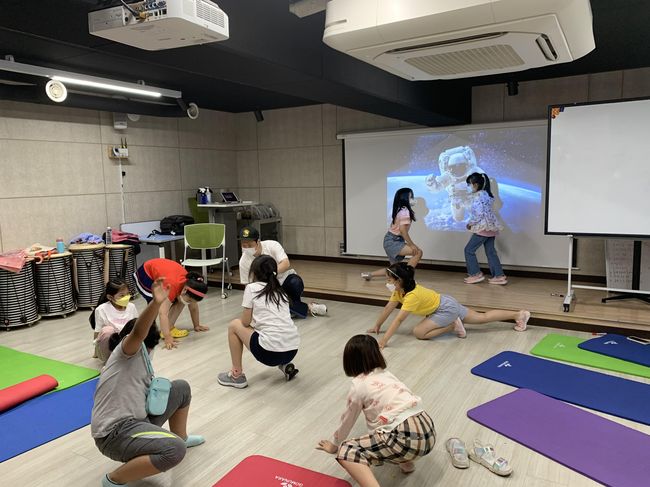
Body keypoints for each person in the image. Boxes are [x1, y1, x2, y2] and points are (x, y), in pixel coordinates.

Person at [91, 277, 205, 487]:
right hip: (114, 434)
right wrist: (156, 303)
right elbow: (138, 332)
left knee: (180, 388)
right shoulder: (125, 352)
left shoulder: (142, 356)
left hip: (136, 420)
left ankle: (181, 436)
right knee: (174, 450)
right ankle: (113, 480)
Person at [317, 335, 436, 487]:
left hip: (406, 439)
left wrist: (334, 445)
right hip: (428, 429)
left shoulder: (359, 385)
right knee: (391, 422)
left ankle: (404, 459)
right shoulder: (387, 374)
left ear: (349, 361)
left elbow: (347, 420)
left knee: (347, 450)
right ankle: (407, 463)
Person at [369, 262, 530, 348]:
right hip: (446, 302)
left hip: (444, 309)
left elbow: (398, 320)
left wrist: (383, 341)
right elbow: (388, 308)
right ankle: (519, 314)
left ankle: (452, 325)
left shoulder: (411, 295)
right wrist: (377, 325)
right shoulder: (400, 290)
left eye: (389, 279)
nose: (387, 282)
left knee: (419, 332)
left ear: (399, 280)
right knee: (482, 317)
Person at [218, 255, 300, 388]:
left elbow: (245, 322)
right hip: (292, 351)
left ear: (253, 273)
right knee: (275, 332)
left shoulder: (252, 288)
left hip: (269, 354)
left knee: (234, 325)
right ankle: (285, 365)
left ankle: (236, 375)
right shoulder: (281, 291)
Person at [238, 226, 327, 318]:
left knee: (295, 282)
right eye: (244, 245)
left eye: (249, 245)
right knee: (271, 304)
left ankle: (290, 307)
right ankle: (307, 307)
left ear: (258, 241)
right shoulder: (244, 261)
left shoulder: (272, 245)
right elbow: (247, 285)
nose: (246, 248)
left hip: (283, 280)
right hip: (266, 288)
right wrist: (250, 305)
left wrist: (270, 274)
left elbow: (285, 263)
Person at [134, 258, 209, 350]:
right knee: (155, 304)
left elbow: (193, 307)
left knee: (181, 301)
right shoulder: (171, 286)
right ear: (185, 290)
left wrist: (196, 325)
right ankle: (148, 330)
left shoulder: (190, 284)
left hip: (163, 273)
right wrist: (167, 337)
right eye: (190, 300)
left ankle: (169, 327)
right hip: (145, 274)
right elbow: (163, 314)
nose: (190, 303)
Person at [361, 187, 423, 281]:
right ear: (404, 198)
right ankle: (406, 276)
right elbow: (403, 231)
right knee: (418, 252)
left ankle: (369, 274)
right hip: (393, 241)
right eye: (411, 197)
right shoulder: (405, 211)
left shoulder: (400, 210)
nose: (413, 199)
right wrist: (412, 245)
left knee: (394, 269)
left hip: (390, 240)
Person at [464, 172, 506, 284]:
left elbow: (479, 214)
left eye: (469, 184)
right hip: (491, 228)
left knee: (469, 250)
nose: (468, 187)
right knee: (491, 252)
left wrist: (470, 223)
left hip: (482, 228)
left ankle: (475, 274)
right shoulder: (487, 195)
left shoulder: (477, 196)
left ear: (475, 184)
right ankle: (498, 275)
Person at [90, 279, 138, 363]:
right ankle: (111, 361)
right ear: (110, 297)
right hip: (110, 347)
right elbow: (98, 332)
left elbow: (137, 328)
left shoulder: (131, 307)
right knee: (107, 331)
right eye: (122, 295)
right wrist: (96, 351)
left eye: (127, 294)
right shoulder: (101, 309)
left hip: (127, 344)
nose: (126, 297)